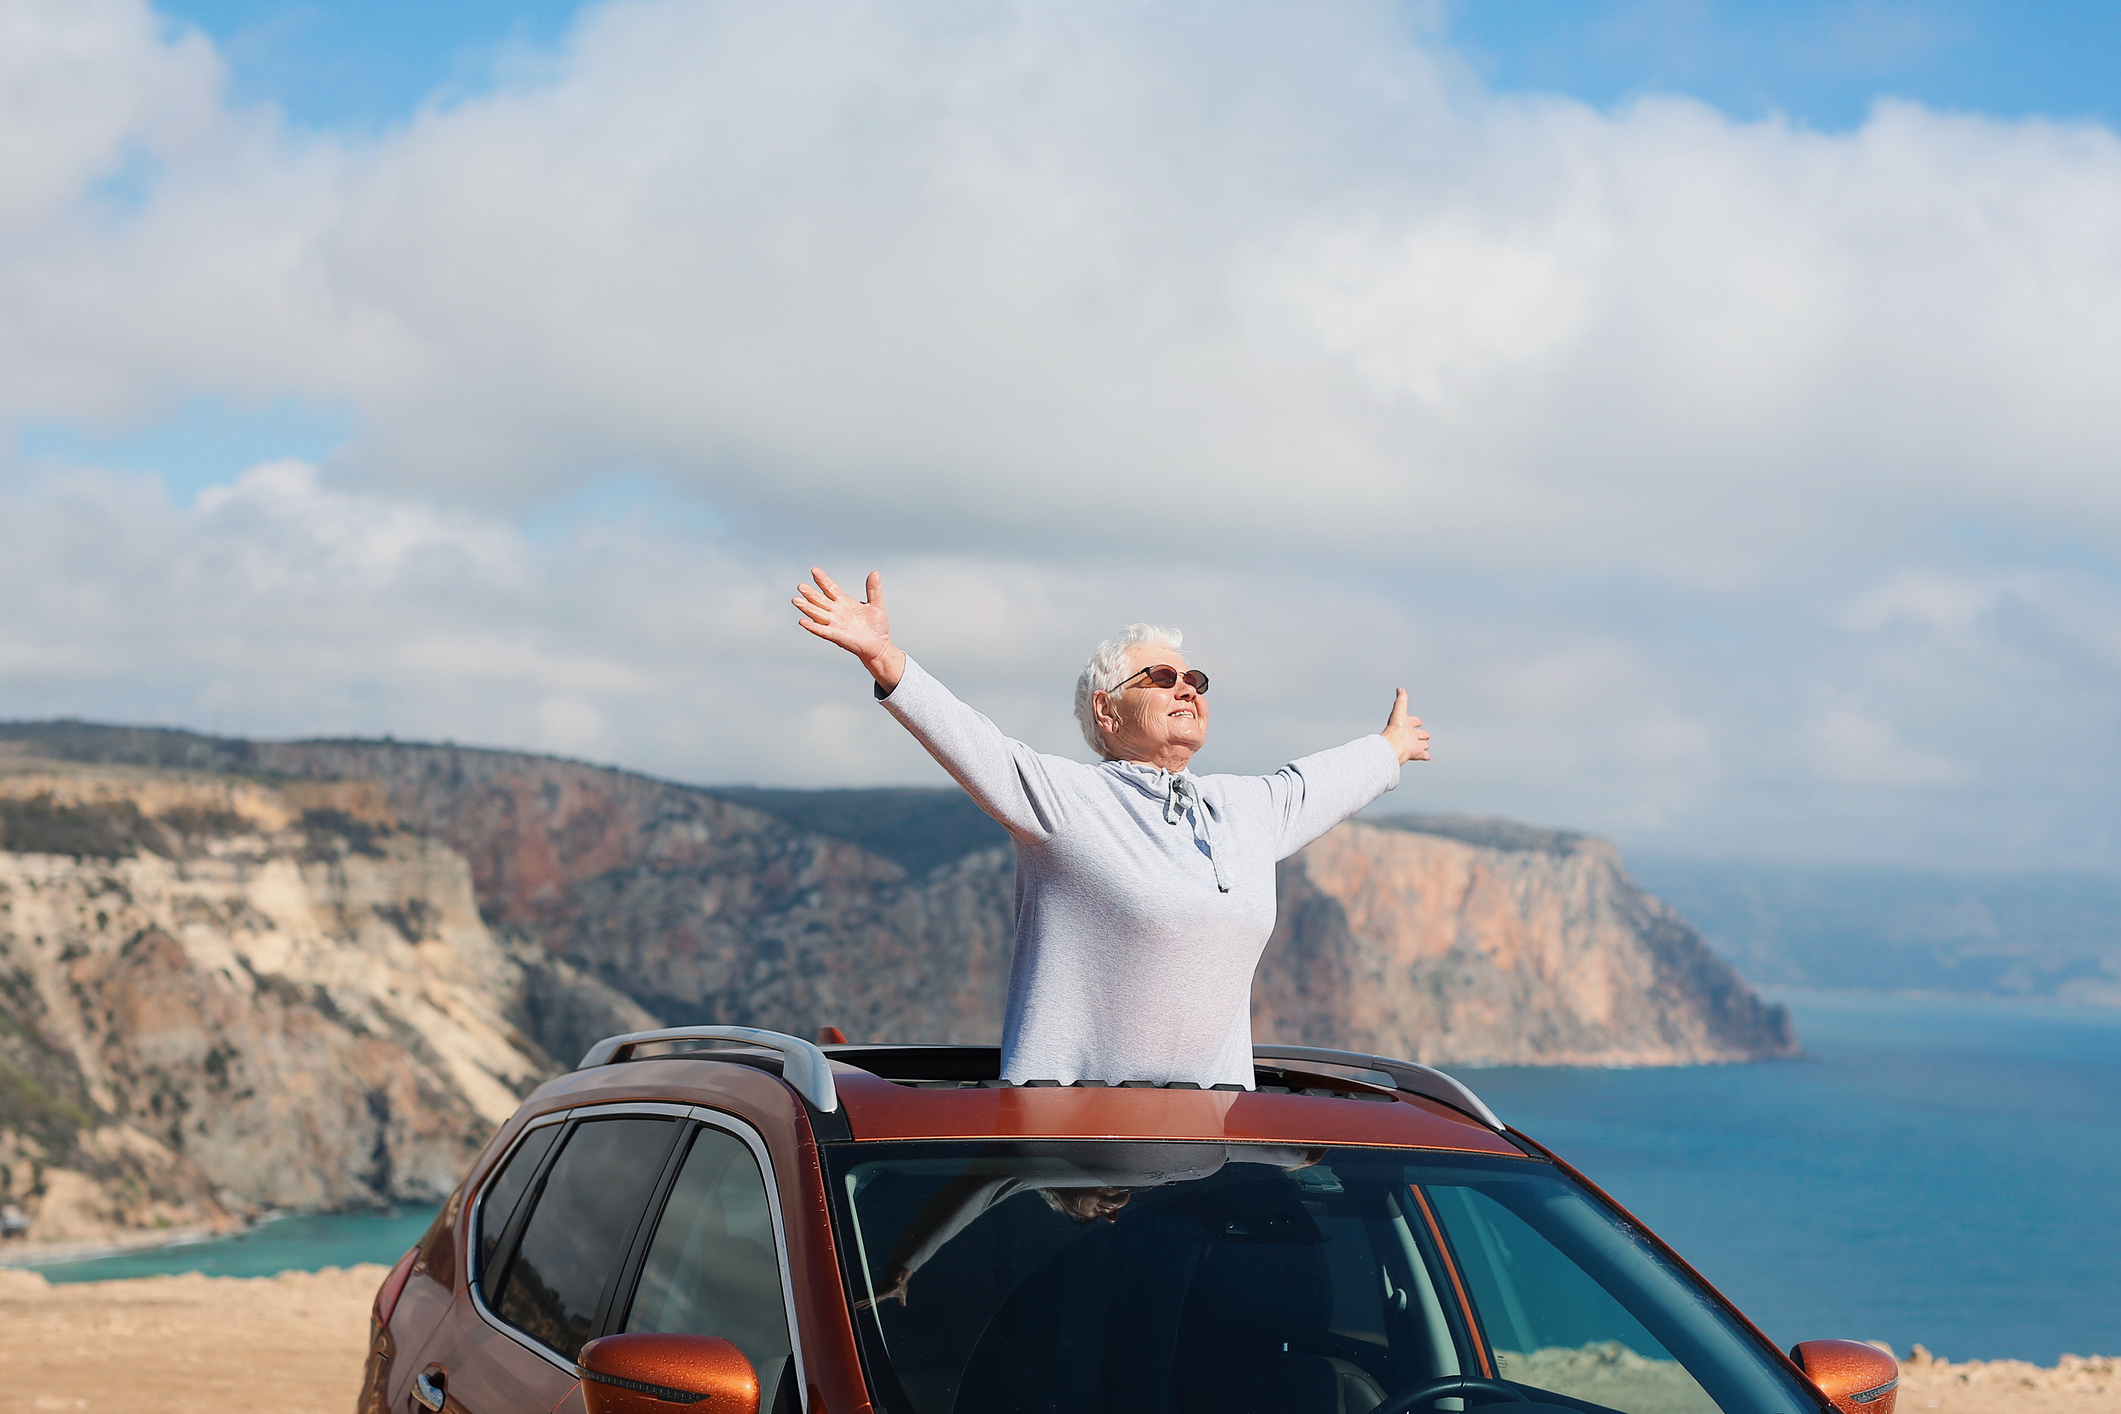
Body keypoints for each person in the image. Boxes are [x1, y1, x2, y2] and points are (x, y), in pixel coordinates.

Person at [794, 568, 1430, 1090]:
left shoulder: (1246, 811)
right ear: (1106, 709)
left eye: (1196, 681)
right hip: (1068, 1150)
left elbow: (1313, 782)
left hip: (1205, 1149)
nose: (1187, 690)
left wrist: (1391, 747)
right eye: (1161, 678)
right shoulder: (1069, 801)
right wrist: (883, 655)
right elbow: (975, 744)